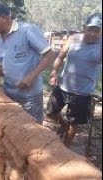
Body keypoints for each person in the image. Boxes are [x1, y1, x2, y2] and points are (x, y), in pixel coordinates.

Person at [0, 3, 56, 124]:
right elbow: (0, 63)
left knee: (33, 130)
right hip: (8, 93)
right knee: (13, 128)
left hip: (30, 96)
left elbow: (49, 55)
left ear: (4, 17)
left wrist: (31, 77)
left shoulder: (27, 30)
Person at [46, 13, 102, 147]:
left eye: (97, 31)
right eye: (91, 29)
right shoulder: (73, 39)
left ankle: (65, 147)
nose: (93, 34)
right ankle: (64, 126)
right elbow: (60, 56)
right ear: (84, 28)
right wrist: (54, 72)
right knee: (51, 112)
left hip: (82, 93)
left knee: (74, 123)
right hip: (63, 86)